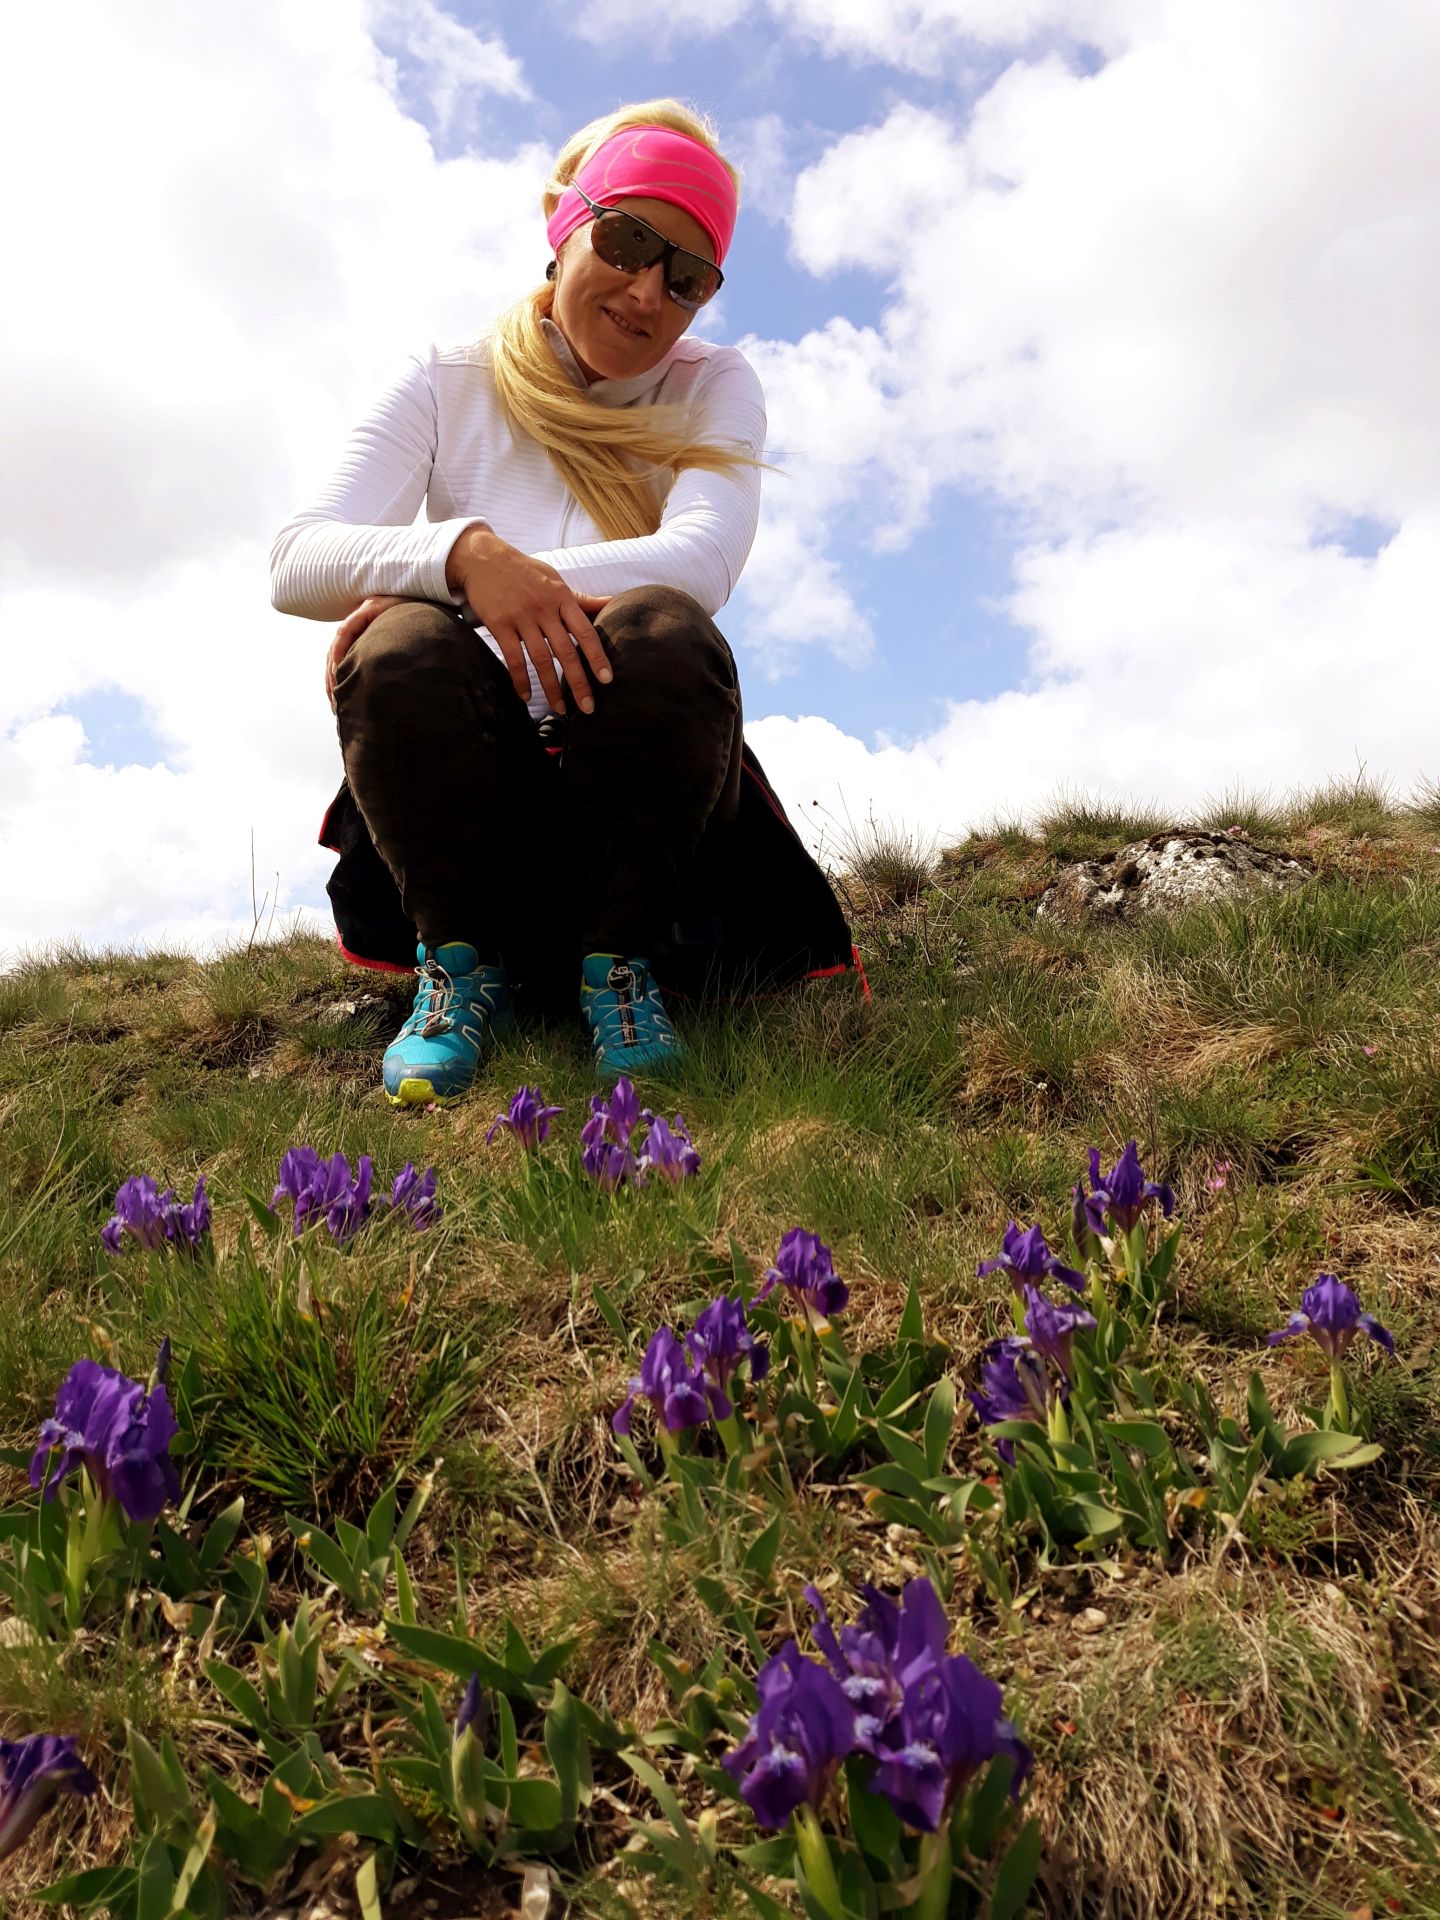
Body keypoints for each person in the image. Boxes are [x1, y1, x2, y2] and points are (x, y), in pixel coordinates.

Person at [271, 99, 859, 1109]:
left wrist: (483, 582)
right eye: (627, 240)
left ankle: (624, 969)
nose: (646, 292)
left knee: (665, 628)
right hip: (470, 815)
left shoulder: (714, 385)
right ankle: (458, 967)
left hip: (643, 821)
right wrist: (457, 556)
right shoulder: (446, 381)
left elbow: (702, 558)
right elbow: (297, 561)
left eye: (687, 275)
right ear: (562, 220)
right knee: (398, 648)